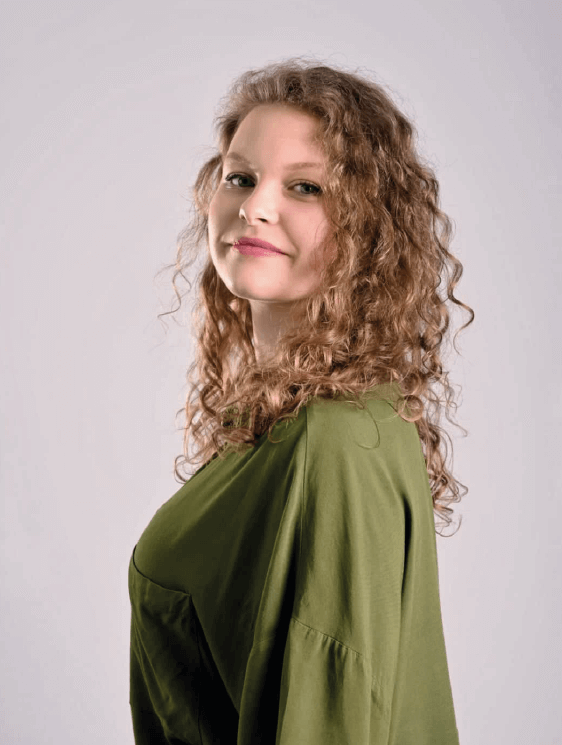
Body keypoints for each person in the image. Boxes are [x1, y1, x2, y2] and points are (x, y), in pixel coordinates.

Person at [128, 56, 474, 744]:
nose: (255, 206)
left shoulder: (336, 438)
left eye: (306, 187)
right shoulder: (281, 419)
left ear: (369, 229)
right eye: (240, 177)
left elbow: (334, 712)